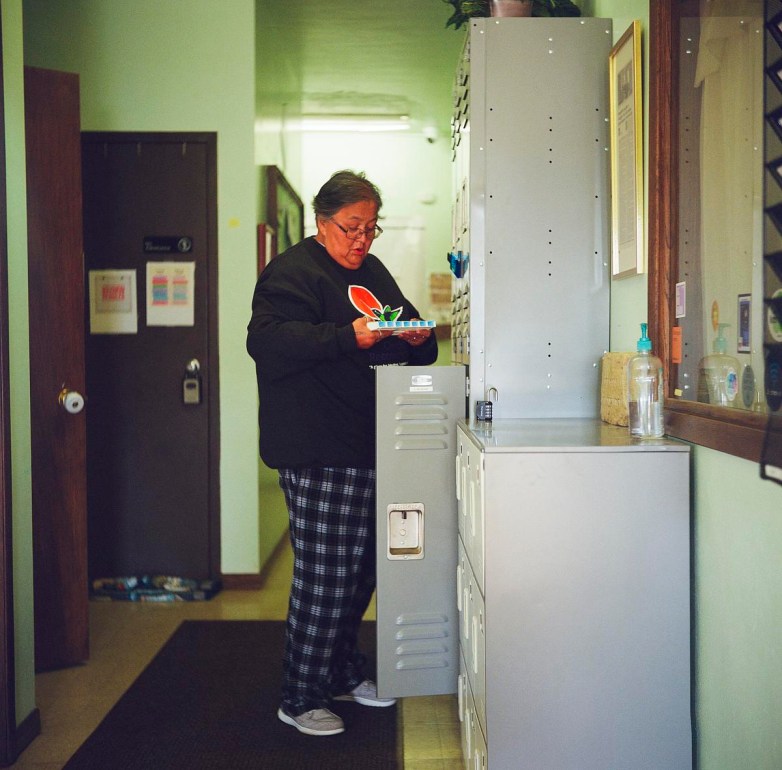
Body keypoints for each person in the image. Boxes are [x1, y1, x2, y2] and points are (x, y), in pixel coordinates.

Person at [246, 170, 438, 736]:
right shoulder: (292, 273)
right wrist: (344, 337)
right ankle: (300, 693)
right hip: (316, 448)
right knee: (325, 574)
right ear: (321, 222)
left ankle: (342, 672)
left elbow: (408, 332)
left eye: (371, 229)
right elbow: (265, 341)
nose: (362, 240)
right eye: (352, 228)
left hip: (370, 443)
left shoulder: (373, 272)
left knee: (361, 572)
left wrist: (419, 337)